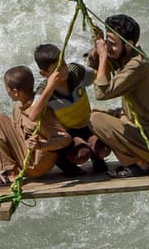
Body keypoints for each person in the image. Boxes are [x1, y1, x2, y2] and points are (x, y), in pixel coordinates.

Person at [88, 14, 149, 178]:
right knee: (99, 112)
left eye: (113, 44)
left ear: (129, 44)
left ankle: (138, 164)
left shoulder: (136, 65)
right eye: (108, 42)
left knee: (96, 120)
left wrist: (102, 56)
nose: (108, 47)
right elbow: (101, 67)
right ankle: (136, 158)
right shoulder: (127, 56)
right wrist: (98, 52)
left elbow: (102, 92)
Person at [0, 65, 72, 187]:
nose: (6, 92)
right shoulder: (19, 107)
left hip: (35, 164)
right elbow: (18, 133)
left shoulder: (39, 112)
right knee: (1, 120)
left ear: (15, 92)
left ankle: (10, 173)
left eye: (7, 88)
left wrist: (42, 145)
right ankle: (11, 169)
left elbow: (65, 138)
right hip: (28, 156)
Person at [31, 43, 110, 175]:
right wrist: (50, 88)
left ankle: (97, 159)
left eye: (63, 64)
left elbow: (98, 76)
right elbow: (33, 116)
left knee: (103, 148)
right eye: (56, 68)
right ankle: (64, 162)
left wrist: (101, 55)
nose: (63, 70)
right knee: (81, 154)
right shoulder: (44, 90)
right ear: (44, 73)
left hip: (86, 124)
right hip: (67, 133)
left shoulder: (75, 71)